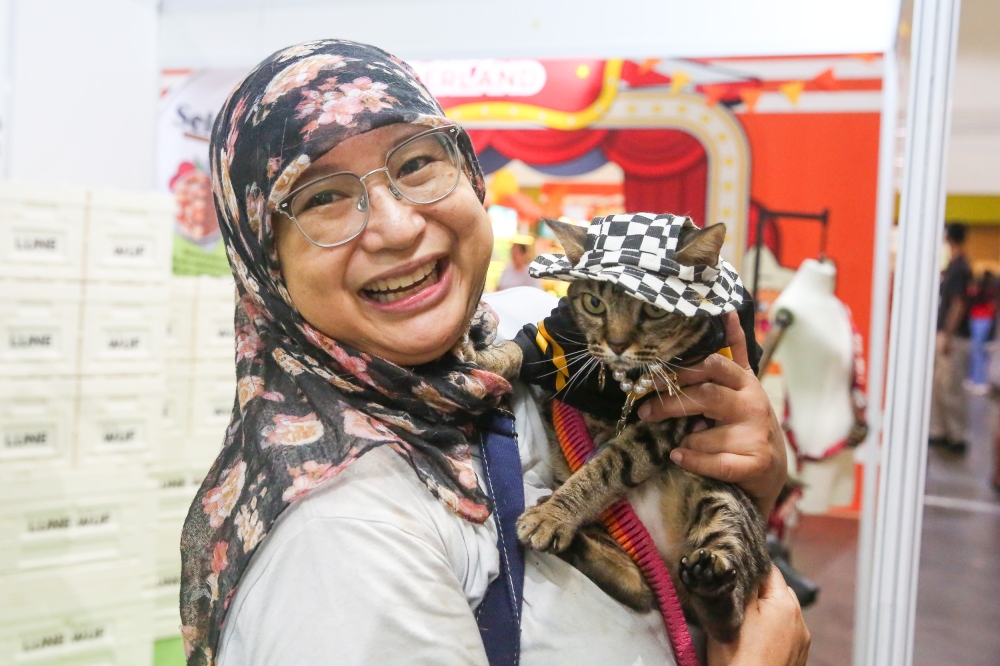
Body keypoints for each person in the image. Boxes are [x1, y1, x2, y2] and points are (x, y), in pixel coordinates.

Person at [179, 40, 808, 666]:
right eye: (322, 197)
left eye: (416, 162)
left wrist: (751, 474)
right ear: (263, 260)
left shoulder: (519, 329)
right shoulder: (338, 539)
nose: (398, 227)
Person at [930, 223, 973, 454]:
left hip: (953, 336)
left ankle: (956, 434)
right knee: (941, 385)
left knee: (950, 387)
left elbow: (958, 304)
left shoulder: (959, 268)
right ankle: (944, 431)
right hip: (949, 335)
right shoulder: (956, 266)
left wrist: (948, 335)